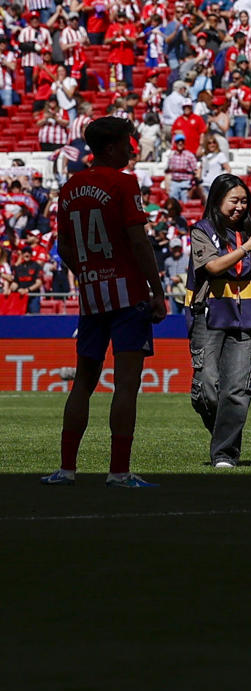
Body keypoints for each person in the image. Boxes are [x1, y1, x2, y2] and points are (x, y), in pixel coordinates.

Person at [42, 116, 168, 488]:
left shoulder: (69, 188)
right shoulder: (124, 183)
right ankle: (119, 472)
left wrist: (85, 272)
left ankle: (66, 469)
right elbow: (139, 241)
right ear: (111, 147)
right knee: (126, 383)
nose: (132, 149)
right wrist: (157, 290)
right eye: (128, 144)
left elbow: (63, 245)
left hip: (92, 295)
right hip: (128, 293)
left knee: (83, 381)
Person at [188, 173, 251, 468]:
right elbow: (212, 266)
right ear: (217, 201)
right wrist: (248, 247)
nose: (240, 207)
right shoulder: (202, 230)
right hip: (210, 312)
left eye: (244, 201)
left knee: (238, 388)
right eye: (233, 201)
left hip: (246, 313)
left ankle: (224, 453)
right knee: (206, 389)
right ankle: (223, 436)